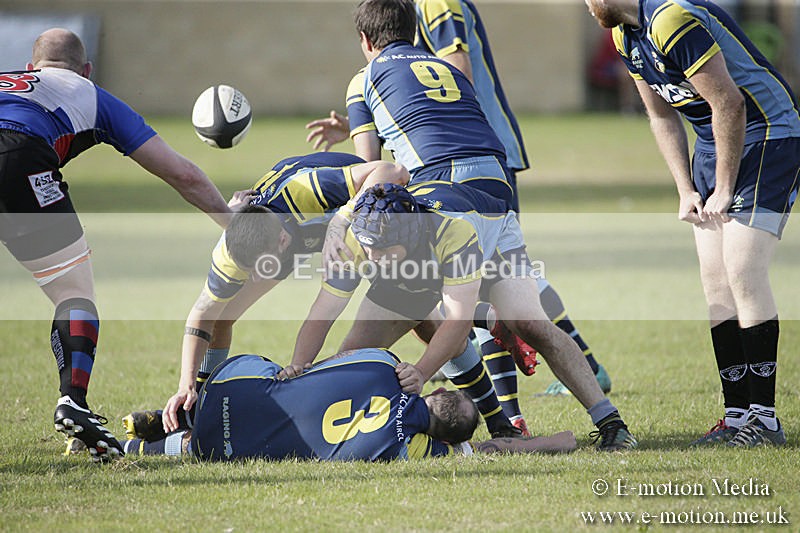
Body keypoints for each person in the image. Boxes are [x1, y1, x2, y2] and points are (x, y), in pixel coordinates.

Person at [306, 0, 613, 414]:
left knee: (386, 318)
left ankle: (475, 353)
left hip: (445, 197)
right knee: (528, 320)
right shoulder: (445, 68)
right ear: (413, 31)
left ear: (364, 40)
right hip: (497, 189)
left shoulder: (363, 79)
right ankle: (608, 421)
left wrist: (340, 222)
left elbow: (373, 172)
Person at [0, 28, 231, 461]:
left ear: (29, 68)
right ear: (86, 70)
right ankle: (73, 400)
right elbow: (181, 173)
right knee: (73, 294)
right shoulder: (91, 93)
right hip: (19, 159)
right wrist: (234, 226)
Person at [584, 0, 800, 447]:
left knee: (742, 268)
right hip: (713, 142)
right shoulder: (624, 35)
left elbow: (730, 102)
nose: (586, 6)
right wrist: (685, 188)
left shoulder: (670, 19)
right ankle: (737, 417)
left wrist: (723, 188)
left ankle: (765, 420)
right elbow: (662, 115)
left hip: (768, 133)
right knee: (715, 282)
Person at [287, 182, 638, 451]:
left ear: (407, 237)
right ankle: (501, 420)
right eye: (367, 246)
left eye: (380, 249)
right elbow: (324, 311)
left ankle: (611, 422)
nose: (371, 255)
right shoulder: (362, 240)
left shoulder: (453, 233)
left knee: (529, 323)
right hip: (415, 263)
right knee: (355, 357)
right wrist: (299, 368)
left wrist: (421, 372)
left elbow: (456, 324)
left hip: (494, 238)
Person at [161, 153, 411, 431]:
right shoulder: (231, 251)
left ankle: (467, 387)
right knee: (221, 316)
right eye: (251, 271)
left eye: (261, 268)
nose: (255, 279)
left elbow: (393, 170)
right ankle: (201, 403)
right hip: (293, 236)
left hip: (360, 217)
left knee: (410, 300)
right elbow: (201, 314)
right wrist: (186, 385)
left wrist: (341, 220)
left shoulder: (304, 191)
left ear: (282, 240)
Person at [124, 348, 577, 460]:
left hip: (225, 388)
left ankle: (176, 415)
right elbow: (488, 451)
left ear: (435, 391)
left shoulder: (385, 364)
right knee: (250, 441)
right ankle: (146, 448)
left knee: (279, 380)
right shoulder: (407, 450)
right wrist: (559, 441)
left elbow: (331, 362)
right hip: (223, 451)